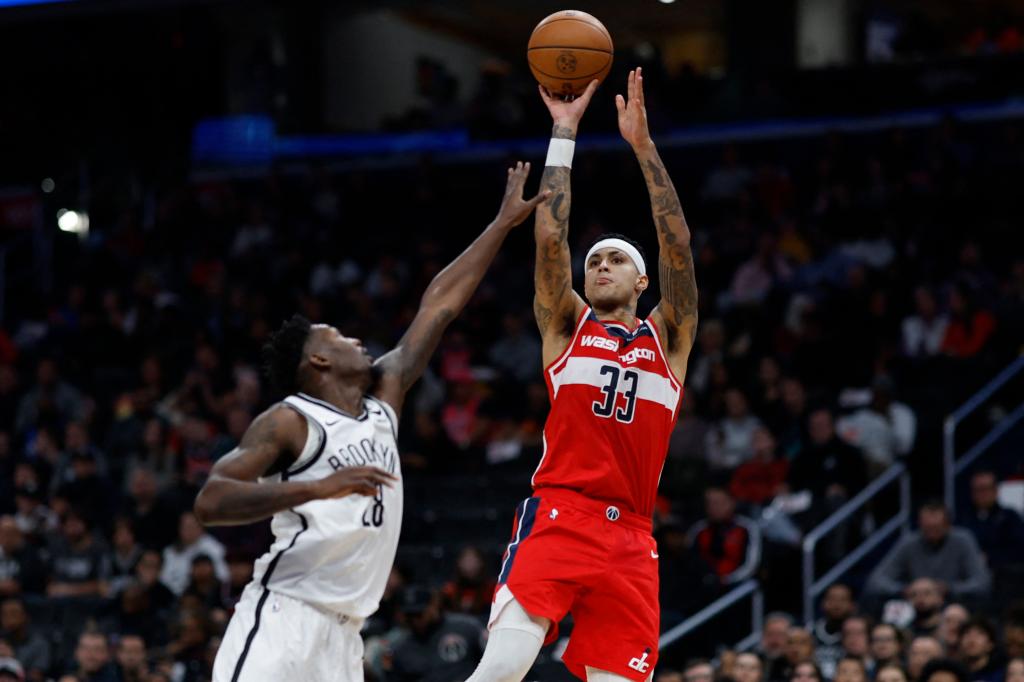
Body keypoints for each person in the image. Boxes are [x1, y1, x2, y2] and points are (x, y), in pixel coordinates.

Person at [193, 163, 548, 682]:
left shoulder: (384, 398)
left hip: (346, 636)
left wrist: (500, 225)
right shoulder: (290, 422)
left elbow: (439, 307)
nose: (356, 340)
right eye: (337, 335)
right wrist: (318, 488)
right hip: (285, 615)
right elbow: (211, 502)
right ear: (317, 362)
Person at [467, 68, 698, 682]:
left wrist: (644, 149)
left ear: (642, 281)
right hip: (563, 514)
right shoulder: (568, 328)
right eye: (594, 260)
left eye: (616, 259)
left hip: (633, 538)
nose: (599, 266)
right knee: (502, 669)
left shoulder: (668, 334)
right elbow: (550, 240)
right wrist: (563, 132)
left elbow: (677, 242)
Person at [865, 502, 990, 605]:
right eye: (927, 528)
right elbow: (876, 581)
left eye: (936, 528)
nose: (932, 533)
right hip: (914, 605)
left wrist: (949, 589)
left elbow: (982, 583)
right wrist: (905, 590)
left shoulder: (963, 540)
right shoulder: (909, 542)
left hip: (953, 604)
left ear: (948, 525)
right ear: (920, 525)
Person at [386, 586, 485, 681]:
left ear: (433, 605)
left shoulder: (467, 628)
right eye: (409, 615)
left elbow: (493, 662)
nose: (415, 620)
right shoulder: (400, 648)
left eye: (419, 613)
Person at [686, 487, 761, 586]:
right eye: (709, 503)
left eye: (718, 503)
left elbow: (751, 565)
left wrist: (727, 580)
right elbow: (689, 561)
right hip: (703, 587)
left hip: (739, 587)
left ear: (732, 503)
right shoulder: (698, 530)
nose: (713, 507)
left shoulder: (747, 528)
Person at [962, 470, 1024, 571]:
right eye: (977, 490)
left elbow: (1019, 549)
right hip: (969, 573)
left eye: (986, 489)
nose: (982, 494)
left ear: (996, 490)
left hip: (1003, 573)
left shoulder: (1010, 517)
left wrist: (990, 557)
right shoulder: (964, 518)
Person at [813, 584, 857, 679]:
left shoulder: (859, 631)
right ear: (823, 603)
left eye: (842, 599)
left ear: (852, 605)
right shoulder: (810, 631)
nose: (837, 604)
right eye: (832, 599)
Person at [958, 618, 1003, 682]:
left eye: (980, 633)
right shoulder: (955, 675)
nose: (972, 638)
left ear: (990, 644)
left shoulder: (1001, 675)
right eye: (967, 633)